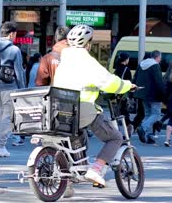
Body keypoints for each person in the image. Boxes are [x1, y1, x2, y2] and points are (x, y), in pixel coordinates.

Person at [54, 24, 135, 187]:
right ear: (88, 43)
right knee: (115, 137)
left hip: (61, 109)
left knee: (77, 139)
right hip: (82, 108)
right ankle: (96, 169)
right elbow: (107, 82)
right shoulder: (87, 61)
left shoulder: (64, 60)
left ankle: (69, 179)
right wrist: (127, 85)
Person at [0, 21, 26, 157]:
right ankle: (1, 146)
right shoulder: (15, 50)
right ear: (11, 34)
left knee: (1, 114)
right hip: (10, 86)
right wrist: (23, 90)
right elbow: (19, 72)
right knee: (7, 117)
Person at [133, 50, 165, 144]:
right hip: (153, 94)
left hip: (142, 93)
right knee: (156, 114)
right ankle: (143, 128)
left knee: (148, 114)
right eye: (160, 58)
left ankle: (149, 136)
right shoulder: (155, 65)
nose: (160, 60)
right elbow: (159, 81)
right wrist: (163, 94)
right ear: (157, 57)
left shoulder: (141, 64)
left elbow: (135, 78)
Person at [113, 52, 133, 133]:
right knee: (125, 110)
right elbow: (129, 82)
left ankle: (117, 128)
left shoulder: (116, 69)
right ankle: (128, 126)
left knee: (119, 110)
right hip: (124, 93)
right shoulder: (126, 69)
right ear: (126, 60)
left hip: (116, 92)